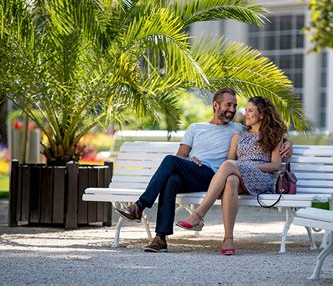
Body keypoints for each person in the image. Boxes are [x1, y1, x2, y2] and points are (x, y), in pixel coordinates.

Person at [115, 88, 292, 252]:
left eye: (235, 106)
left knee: (172, 162)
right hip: (196, 171)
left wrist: (288, 143)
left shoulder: (237, 128)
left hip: (214, 175)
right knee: (171, 180)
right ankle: (160, 238)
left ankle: (140, 206)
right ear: (216, 105)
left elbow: (270, 134)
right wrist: (190, 159)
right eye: (228, 105)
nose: (233, 109)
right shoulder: (195, 128)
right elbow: (180, 157)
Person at [176, 96, 288, 255]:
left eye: (250, 110)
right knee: (230, 180)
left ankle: (198, 215)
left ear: (262, 114)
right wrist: (239, 167)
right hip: (239, 175)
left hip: (261, 178)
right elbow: (230, 160)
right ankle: (228, 239)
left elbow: (275, 165)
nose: (246, 114)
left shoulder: (273, 136)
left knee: (229, 166)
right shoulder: (239, 135)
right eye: (246, 110)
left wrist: (246, 166)